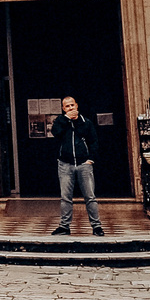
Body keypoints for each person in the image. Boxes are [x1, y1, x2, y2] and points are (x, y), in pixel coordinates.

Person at [49, 98, 102, 237]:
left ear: (77, 105)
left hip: (84, 164)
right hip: (65, 164)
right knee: (65, 197)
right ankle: (64, 226)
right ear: (63, 109)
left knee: (90, 196)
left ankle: (96, 226)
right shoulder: (60, 121)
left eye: (72, 105)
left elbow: (94, 141)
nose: (70, 108)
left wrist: (91, 159)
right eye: (67, 106)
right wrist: (66, 119)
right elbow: (56, 133)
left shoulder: (86, 122)